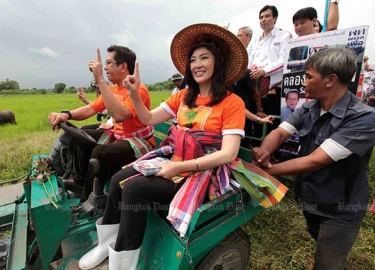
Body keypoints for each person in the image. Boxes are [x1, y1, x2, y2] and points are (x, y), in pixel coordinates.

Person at [78, 23, 286, 270]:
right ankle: (106, 244)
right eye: (193, 59)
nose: (197, 64)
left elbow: (228, 153)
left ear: (218, 63)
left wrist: (177, 169)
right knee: (118, 179)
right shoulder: (183, 96)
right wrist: (134, 94)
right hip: (176, 160)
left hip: (206, 171)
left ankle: (122, 261)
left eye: (204, 58)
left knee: (133, 189)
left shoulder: (232, 103)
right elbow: (148, 118)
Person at [252, 48, 375, 269]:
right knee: (320, 241)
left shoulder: (363, 119)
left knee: (327, 263)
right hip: (311, 197)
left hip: (341, 209)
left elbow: (315, 160)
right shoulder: (309, 107)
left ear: (330, 80)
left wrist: (266, 171)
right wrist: (265, 151)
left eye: (309, 76)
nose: (303, 82)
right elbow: (281, 132)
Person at [48, 45, 155, 200]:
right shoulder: (112, 90)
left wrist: (99, 80)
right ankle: (80, 181)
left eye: (109, 63)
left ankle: (89, 197)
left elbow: (119, 116)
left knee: (100, 153)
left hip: (138, 142)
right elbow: (90, 109)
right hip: (119, 136)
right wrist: (66, 115)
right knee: (80, 134)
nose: (105, 68)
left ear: (123, 66)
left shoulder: (138, 90)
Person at [247, 5, 291, 134]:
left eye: (267, 16)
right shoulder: (255, 40)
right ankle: (254, 147)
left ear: (275, 18)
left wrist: (264, 71)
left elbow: (284, 60)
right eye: (261, 17)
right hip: (254, 85)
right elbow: (249, 60)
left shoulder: (284, 36)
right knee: (255, 119)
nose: (263, 20)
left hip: (273, 86)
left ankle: (270, 150)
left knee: (272, 120)